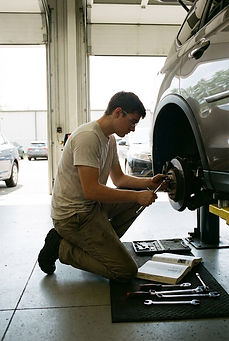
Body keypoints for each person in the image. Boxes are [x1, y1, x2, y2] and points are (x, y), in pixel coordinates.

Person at [38, 91, 166, 281]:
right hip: (73, 217)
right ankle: (61, 247)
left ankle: (99, 245)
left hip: (91, 208)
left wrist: (148, 183)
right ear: (117, 112)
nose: (133, 129)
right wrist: (137, 196)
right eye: (132, 122)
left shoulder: (110, 139)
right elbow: (92, 190)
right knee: (125, 272)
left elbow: (119, 180)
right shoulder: (88, 137)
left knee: (139, 195)